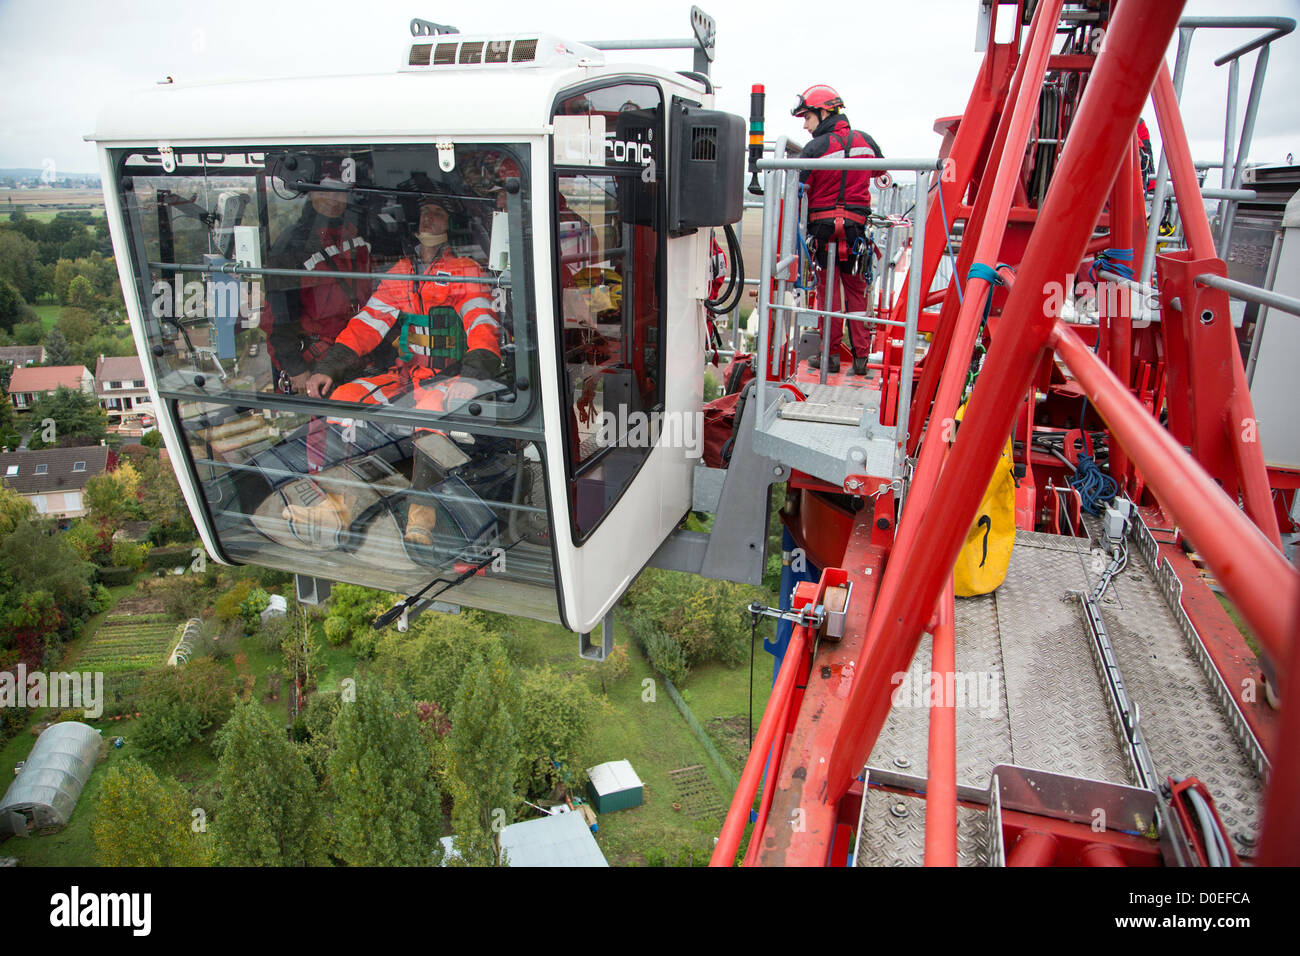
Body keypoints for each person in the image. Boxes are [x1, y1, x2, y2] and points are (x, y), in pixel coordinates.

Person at [287, 188, 503, 548]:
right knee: (345, 398)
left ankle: (421, 519)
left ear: (452, 224)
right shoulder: (402, 272)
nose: (427, 219)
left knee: (430, 414)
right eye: (423, 212)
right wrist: (328, 368)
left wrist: (472, 377)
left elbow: (482, 324)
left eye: (437, 212)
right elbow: (367, 326)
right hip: (410, 373)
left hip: (448, 377)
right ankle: (338, 507)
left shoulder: (465, 270)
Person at [264, 158, 381, 394]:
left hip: (357, 355)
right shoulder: (292, 246)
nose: (333, 199)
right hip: (315, 367)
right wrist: (297, 370)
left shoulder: (356, 234)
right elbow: (278, 321)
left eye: (340, 192)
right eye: (325, 191)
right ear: (311, 193)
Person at [793, 84, 880, 376]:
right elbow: (880, 170)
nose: (805, 125)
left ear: (824, 111)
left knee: (826, 291)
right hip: (855, 231)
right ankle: (861, 359)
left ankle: (829, 356)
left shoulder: (816, 148)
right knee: (856, 292)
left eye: (807, 117)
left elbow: (799, 183)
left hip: (823, 229)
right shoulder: (865, 141)